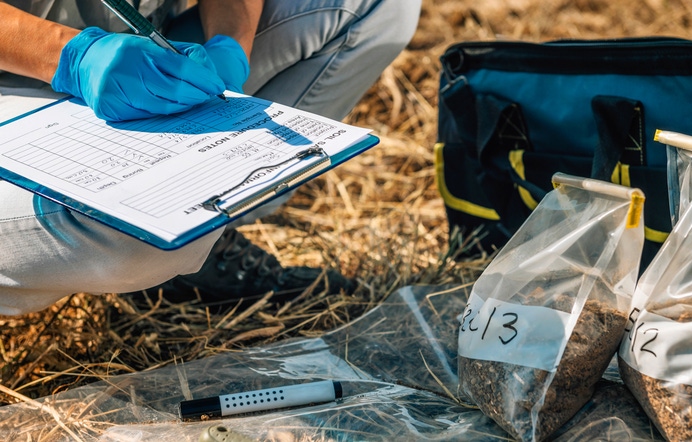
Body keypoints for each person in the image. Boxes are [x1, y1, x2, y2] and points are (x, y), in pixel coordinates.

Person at [0, 0, 421, 315]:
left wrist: (231, 43)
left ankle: (200, 246)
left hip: (138, 60)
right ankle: (164, 254)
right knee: (145, 230)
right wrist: (68, 55)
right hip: (20, 81)